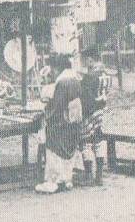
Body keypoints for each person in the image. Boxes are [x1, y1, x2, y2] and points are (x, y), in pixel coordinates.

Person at [35, 54, 83, 194]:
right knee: (69, 149)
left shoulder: (63, 82)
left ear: (58, 68)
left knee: (52, 143)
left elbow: (57, 107)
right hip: (74, 121)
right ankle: (67, 179)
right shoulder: (75, 79)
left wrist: (46, 111)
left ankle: (54, 181)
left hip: (61, 123)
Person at [79, 48, 112, 186]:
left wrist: (83, 115)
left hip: (90, 112)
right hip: (101, 110)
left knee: (86, 141)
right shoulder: (107, 74)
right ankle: (99, 175)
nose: (83, 63)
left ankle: (88, 174)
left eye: (84, 60)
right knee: (99, 141)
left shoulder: (89, 77)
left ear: (90, 59)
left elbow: (85, 98)